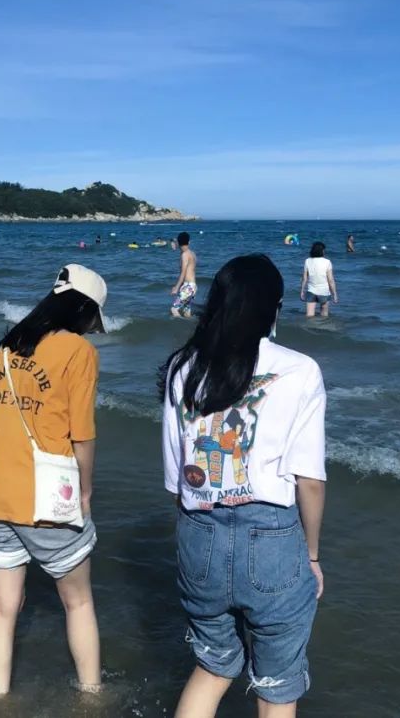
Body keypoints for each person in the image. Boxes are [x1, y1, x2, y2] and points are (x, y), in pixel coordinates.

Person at [161, 254, 327, 717]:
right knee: (277, 688)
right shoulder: (300, 369)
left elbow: (177, 479)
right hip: (271, 540)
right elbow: (310, 480)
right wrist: (312, 556)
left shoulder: (183, 366)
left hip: (199, 532)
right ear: (275, 308)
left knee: (212, 668)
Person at [0, 264, 106, 695]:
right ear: (84, 310)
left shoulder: (8, 345)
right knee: (79, 602)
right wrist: (85, 491)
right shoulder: (79, 352)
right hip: (48, 501)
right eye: (93, 319)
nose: (92, 329)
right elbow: (82, 434)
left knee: (2, 609)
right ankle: (91, 697)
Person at [300, 242, 337, 317]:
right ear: (322, 251)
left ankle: (309, 325)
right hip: (324, 291)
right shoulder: (327, 262)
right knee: (324, 315)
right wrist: (334, 294)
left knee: (309, 315)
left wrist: (302, 291)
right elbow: (330, 280)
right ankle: (322, 325)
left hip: (311, 290)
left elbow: (304, 278)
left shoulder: (307, 261)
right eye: (324, 250)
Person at [171, 232, 198, 318]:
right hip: (193, 287)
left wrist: (176, 287)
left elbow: (183, 272)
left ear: (179, 243)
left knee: (174, 309)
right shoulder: (192, 254)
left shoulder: (184, 255)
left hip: (188, 287)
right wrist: (176, 243)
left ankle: (177, 325)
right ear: (189, 242)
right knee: (186, 312)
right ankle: (190, 325)